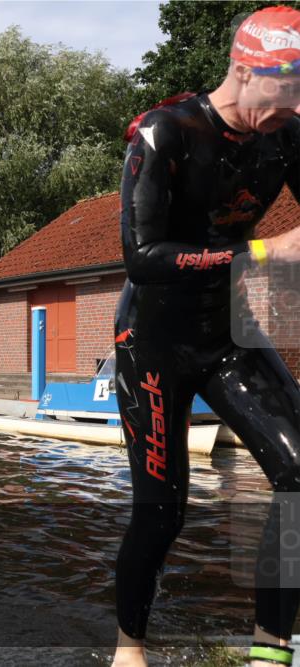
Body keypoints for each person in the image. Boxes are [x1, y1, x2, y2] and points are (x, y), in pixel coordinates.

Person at [112, 7, 300, 667]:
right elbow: (142, 256)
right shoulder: (166, 134)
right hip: (153, 341)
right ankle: (128, 648)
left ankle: (271, 649)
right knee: (163, 514)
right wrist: (263, 252)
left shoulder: (287, 136)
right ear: (244, 73)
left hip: (227, 334)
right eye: (288, 93)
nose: (296, 107)